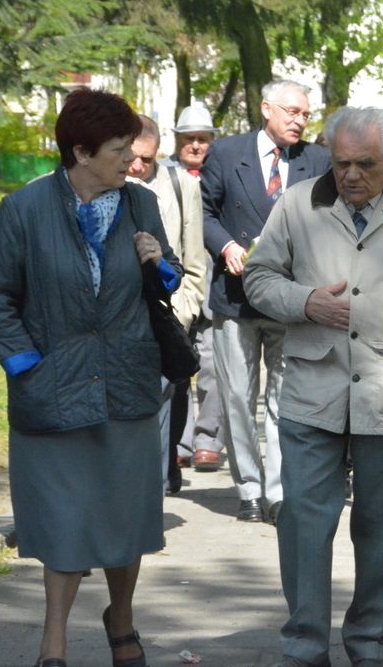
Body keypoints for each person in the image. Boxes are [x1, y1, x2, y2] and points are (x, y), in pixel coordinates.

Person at [243, 106, 383, 667]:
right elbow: (258, 276)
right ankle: (305, 647)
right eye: (340, 162)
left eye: (365, 164)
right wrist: (306, 302)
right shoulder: (299, 203)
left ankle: (370, 647)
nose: (350, 175)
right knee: (302, 522)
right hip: (310, 393)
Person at [0, 88, 183, 667]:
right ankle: (54, 643)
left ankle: (122, 618)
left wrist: (156, 264)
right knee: (63, 521)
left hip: (127, 382)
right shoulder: (25, 209)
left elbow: (168, 280)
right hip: (54, 387)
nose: (132, 161)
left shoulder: (141, 205)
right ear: (82, 152)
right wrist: (26, 365)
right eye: (121, 150)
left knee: (127, 517)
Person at [201, 78, 331, 524]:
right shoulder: (225, 153)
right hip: (235, 299)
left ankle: (277, 491)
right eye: (292, 112)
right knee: (238, 395)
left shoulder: (317, 160)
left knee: (283, 397)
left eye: (306, 115)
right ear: (266, 108)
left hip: (288, 298)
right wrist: (225, 247)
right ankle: (248, 488)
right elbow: (205, 212)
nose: (300, 121)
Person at [127, 115, 207, 495]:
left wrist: (186, 311)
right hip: (125, 319)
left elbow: (194, 260)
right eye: (132, 157)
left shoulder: (180, 185)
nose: (138, 166)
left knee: (170, 397)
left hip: (170, 314)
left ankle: (162, 476)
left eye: (146, 158)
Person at [165, 104, 223, 473]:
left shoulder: (220, 175)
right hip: (179, 283)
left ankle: (207, 441)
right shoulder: (164, 175)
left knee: (214, 365)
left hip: (217, 283)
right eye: (190, 139)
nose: (197, 146)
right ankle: (178, 442)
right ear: (177, 140)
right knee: (177, 367)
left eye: (203, 139)